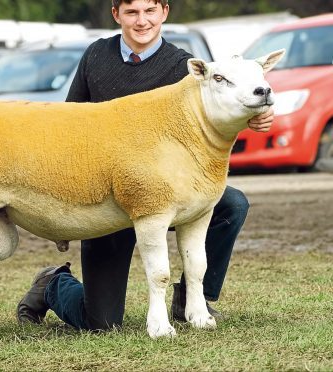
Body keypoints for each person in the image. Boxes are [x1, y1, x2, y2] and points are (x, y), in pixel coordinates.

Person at [17, 0, 274, 331]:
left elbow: (223, 106)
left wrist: (259, 114)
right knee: (101, 324)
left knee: (232, 203)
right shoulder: (96, 56)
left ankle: (194, 299)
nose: (142, 21)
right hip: (104, 199)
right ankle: (52, 284)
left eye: (150, 11)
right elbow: (70, 121)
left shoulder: (185, 67)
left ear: (164, 12)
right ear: (116, 15)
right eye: (132, 13)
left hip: (169, 190)